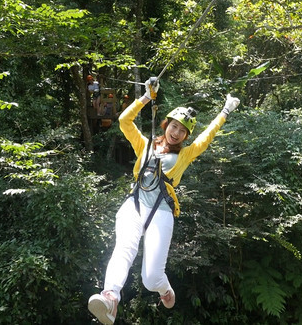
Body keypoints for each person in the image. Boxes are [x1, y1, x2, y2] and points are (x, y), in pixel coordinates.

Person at [87, 79, 241, 325]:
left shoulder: (185, 154)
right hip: (134, 204)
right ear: (166, 124)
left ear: (185, 136)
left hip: (161, 210)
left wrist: (224, 111)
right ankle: (110, 298)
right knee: (124, 248)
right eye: (174, 126)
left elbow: (207, 136)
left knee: (151, 278)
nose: (176, 132)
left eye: (182, 131)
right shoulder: (145, 145)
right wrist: (147, 97)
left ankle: (164, 289)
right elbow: (124, 121)